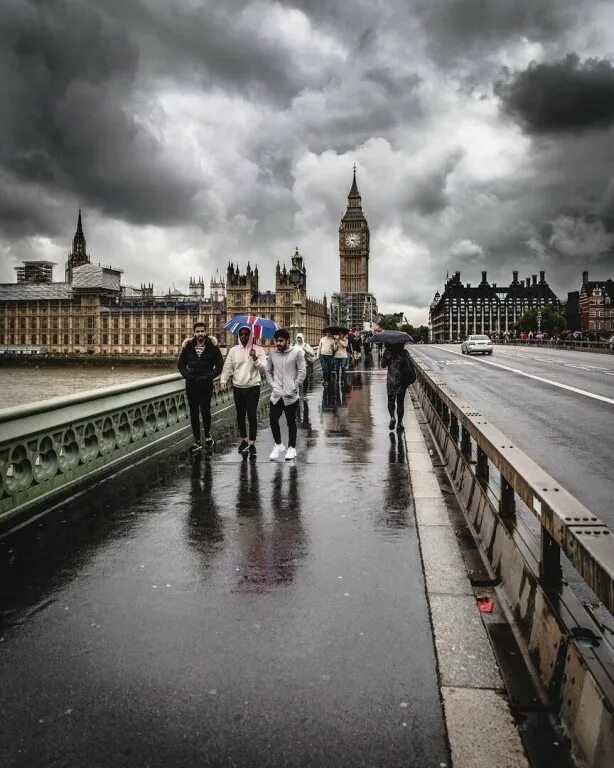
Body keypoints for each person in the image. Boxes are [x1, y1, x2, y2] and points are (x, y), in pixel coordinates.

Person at [220, 325, 267, 459]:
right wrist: (223, 380)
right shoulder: (234, 350)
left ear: (251, 335)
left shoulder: (258, 349)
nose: (243, 336)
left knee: (251, 415)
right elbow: (228, 367)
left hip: (253, 386)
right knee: (240, 416)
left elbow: (264, 369)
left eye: (246, 334)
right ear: (238, 335)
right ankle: (244, 440)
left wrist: (255, 358)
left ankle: (252, 443)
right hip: (238, 387)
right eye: (241, 334)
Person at [178, 321, 224, 452]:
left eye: (202, 331)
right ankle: (197, 440)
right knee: (193, 413)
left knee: (205, 411)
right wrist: (188, 376)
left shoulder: (213, 347)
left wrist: (209, 376)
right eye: (197, 331)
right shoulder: (188, 347)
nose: (200, 334)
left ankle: (208, 435)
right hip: (191, 385)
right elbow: (180, 365)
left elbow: (220, 366)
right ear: (194, 333)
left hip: (206, 385)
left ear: (206, 332)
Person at [266, 328, 306, 461]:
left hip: (290, 395)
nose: (278, 343)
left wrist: (294, 386)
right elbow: (268, 371)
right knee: (273, 419)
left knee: (291, 422)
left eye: (281, 341)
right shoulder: (273, 355)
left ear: (287, 340)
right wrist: (273, 385)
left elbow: (302, 371)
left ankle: (292, 447)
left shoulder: (297, 353)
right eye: (276, 341)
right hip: (277, 394)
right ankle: (278, 444)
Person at [381, 342, 416, 433]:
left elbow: (383, 365)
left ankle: (392, 417)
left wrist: (385, 358)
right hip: (401, 380)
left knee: (390, 400)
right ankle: (400, 423)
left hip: (391, 380)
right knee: (400, 402)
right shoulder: (404, 352)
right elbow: (410, 365)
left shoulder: (387, 352)